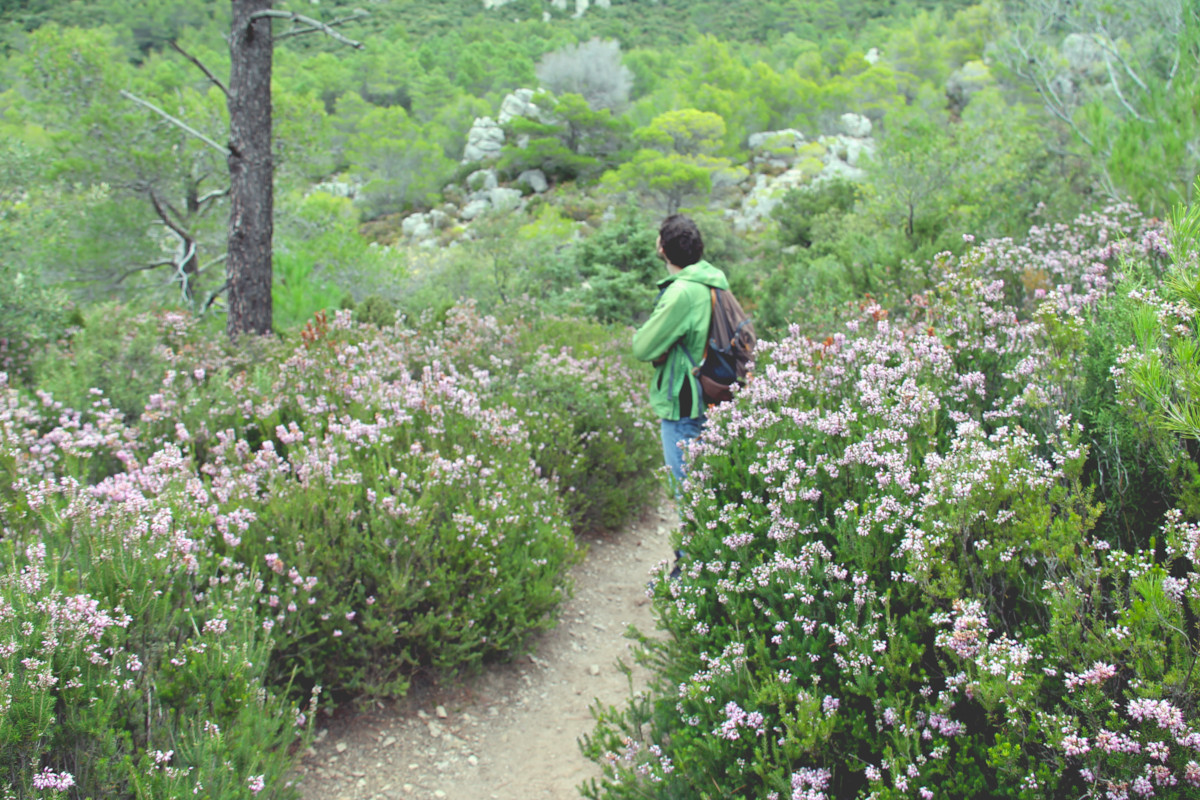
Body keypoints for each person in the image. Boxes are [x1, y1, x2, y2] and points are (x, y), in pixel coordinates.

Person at [632, 214, 730, 497]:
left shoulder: (683, 292)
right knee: (708, 494)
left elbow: (642, 347)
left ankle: (689, 543)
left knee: (689, 498)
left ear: (662, 248)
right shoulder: (713, 280)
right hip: (714, 394)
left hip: (685, 403)